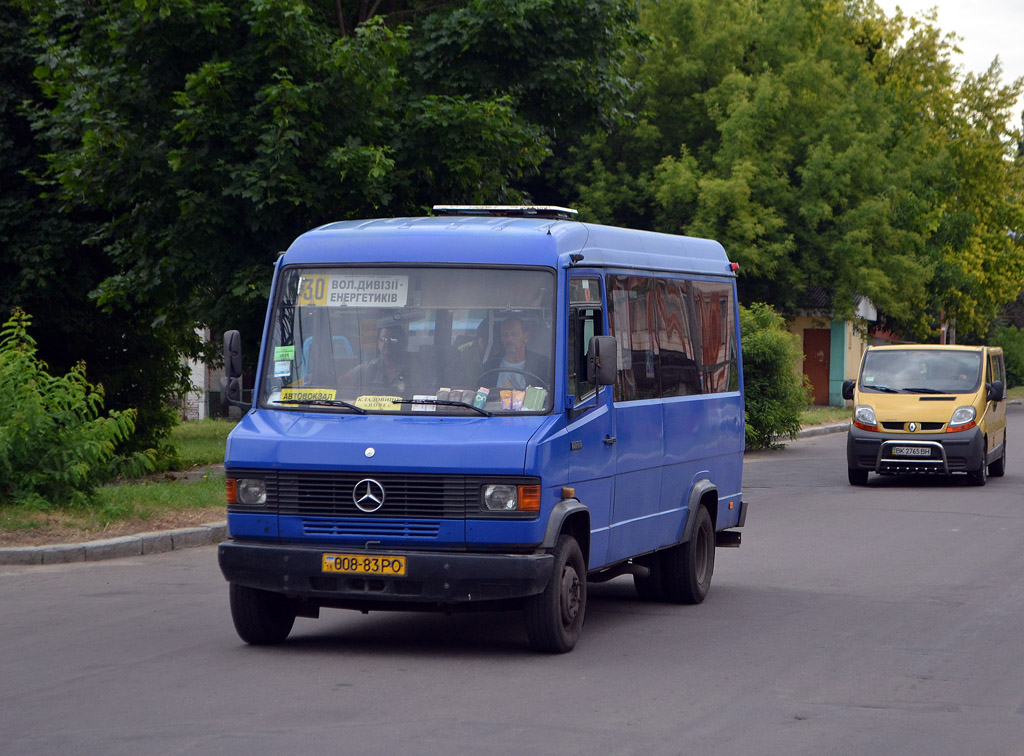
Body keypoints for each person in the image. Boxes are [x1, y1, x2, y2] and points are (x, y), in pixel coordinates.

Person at [480, 317, 549, 390]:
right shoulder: (491, 366)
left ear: (526, 337)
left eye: (514, 334)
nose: (509, 339)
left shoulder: (541, 365)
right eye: (505, 335)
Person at [342, 324, 411, 392]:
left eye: (393, 340)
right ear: (378, 344)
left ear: (402, 344)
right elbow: (341, 383)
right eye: (383, 339)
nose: (387, 343)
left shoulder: (413, 368)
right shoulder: (368, 368)